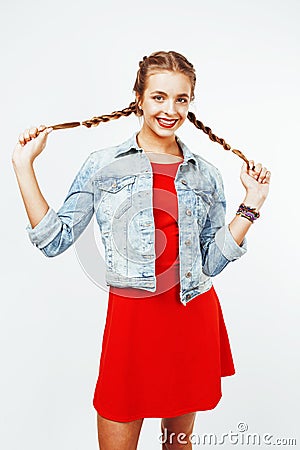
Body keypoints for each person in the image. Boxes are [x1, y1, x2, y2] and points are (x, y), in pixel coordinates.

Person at [12, 50, 270, 450]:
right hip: (132, 322)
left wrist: (251, 203)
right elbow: (54, 239)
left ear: (190, 103)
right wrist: (23, 166)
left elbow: (213, 261)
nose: (171, 109)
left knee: (177, 446)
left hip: (191, 314)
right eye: (159, 97)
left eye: (181, 99)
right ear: (139, 98)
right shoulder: (103, 164)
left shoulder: (206, 174)